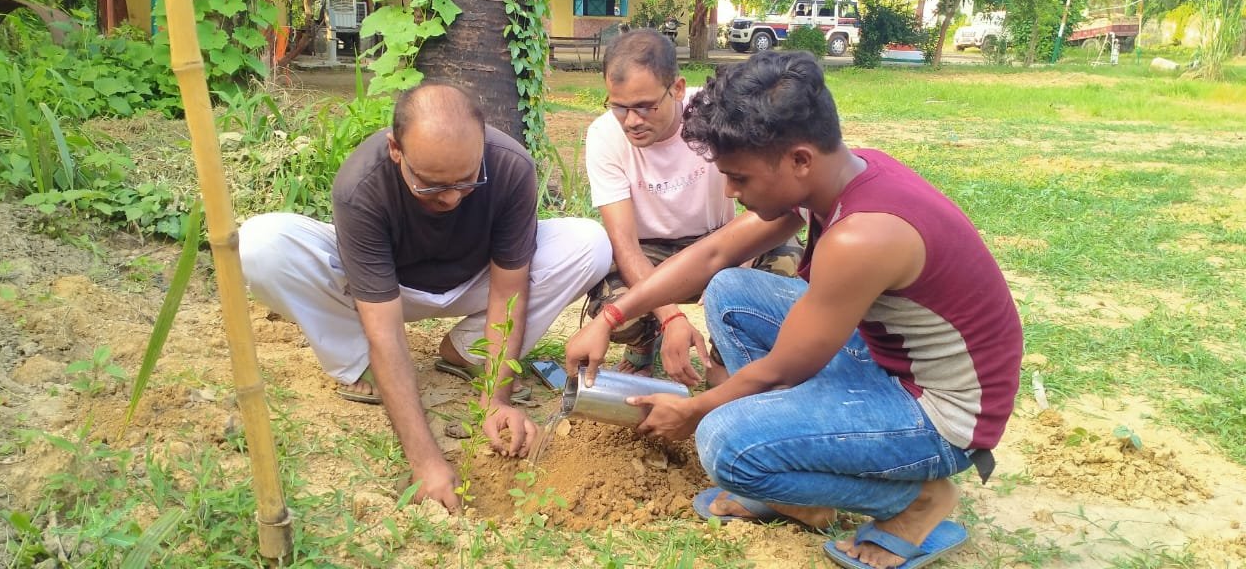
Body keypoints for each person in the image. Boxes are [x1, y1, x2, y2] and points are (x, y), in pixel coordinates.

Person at [564, 51, 1022, 569]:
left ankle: (918, 501)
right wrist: (610, 318)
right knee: (730, 289)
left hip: (943, 413)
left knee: (724, 442)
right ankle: (797, 477)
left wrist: (692, 412)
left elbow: (785, 368)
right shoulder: (840, 173)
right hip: (889, 362)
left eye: (739, 177)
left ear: (800, 159)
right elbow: (715, 254)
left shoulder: (863, 237)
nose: (731, 192)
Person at [240, 84, 612, 513]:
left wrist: (497, 399)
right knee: (260, 245)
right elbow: (383, 326)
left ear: (481, 141)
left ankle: (467, 353)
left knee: (590, 244)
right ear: (396, 149)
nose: (452, 197)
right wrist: (426, 460)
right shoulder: (362, 184)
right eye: (432, 186)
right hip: (380, 293)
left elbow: (509, 290)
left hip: (475, 282)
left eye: (467, 181)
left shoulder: (510, 167)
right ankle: (361, 363)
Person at [584, 28, 801, 385]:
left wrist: (740, 272)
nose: (632, 121)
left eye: (645, 106)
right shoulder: (604, 136)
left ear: (678, 89)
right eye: (619, 107)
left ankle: (724, 352)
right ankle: (644, 342)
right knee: (614, 305)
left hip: (721, 237)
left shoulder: (715, 116)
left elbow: (766, 199)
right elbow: (626, 247)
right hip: (649, 249)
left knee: (783, 262)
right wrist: (671, 318)